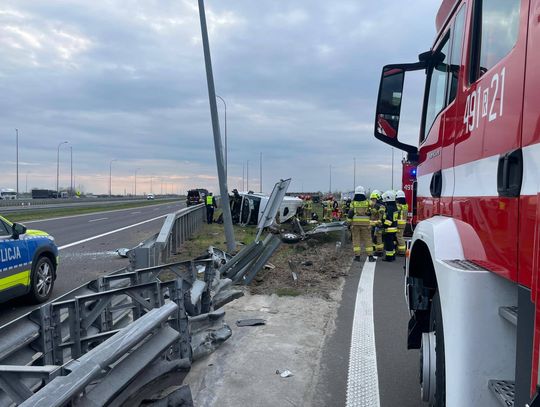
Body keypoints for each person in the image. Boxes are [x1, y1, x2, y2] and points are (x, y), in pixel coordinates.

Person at [348, 186, 375, 262]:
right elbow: (374, 207)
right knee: (368, 240)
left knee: (356, 240)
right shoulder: (367, 202)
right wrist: (370, 213)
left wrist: (349, 223)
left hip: (355, 224)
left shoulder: (353, 203)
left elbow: (350, 213)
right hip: (366, 224)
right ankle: (370, 256)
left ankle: (357, 257)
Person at [381, 190, 399, 262]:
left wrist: (384, 225)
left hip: (389, 229)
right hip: (394, 228)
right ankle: (393, 256)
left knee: (389, 244)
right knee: (392, 243)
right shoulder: (394, 207)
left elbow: (389, 219)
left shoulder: (389, 208)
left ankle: (389, 257)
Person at [369, 190, 385, 255]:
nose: (373, 201)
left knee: (378, 238)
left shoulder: (379, 206)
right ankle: (375, 248)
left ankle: (379, 251)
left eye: (374, 199)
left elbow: (375, 213)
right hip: (374, 224)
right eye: (372, 199)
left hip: (378, 224)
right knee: (374, 237)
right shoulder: (376, 205)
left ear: (378, 198)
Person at [396, 190, 408, 255]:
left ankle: (402, 251)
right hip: (403, 223)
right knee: (399, 236)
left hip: (399, 223)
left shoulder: (399, 206)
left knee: (399, 237)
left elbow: (395, 212)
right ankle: (400, 249)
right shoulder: (405, 205)